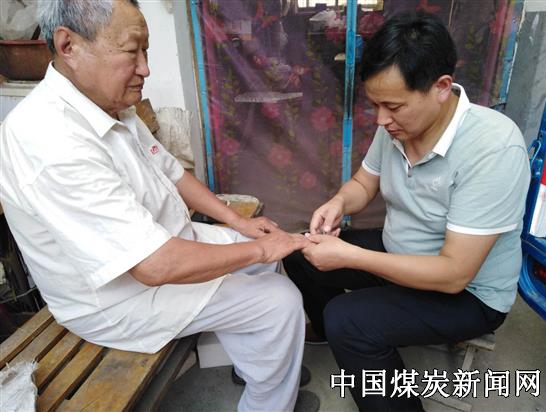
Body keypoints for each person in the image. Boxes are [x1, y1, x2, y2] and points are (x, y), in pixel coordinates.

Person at [0, 1, 313, 411]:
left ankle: (259, 367)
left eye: (145, 51)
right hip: (114, 300)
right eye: (132, 52)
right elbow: (153, 266)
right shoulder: (51, 141)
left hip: (162, 243)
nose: (145, 69)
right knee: (279, 300)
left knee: (262, 259)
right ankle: (268, 403)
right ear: (68, 46)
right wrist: (260, 248)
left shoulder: (108, 104)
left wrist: (240, 224)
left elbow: (171, 172)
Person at [283, 10, 530, 412]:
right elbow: (364, 184)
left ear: (441, 87)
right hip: (401, 251)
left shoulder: (494, 148)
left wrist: (350, 256)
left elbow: (454, 274)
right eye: (375, 105)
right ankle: (338, 336)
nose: (382, 119)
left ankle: (356, 341)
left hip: (468, 293)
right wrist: (338, 203)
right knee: (301, 251)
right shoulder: (397, 128)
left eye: (393, 106)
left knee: (349, 318)